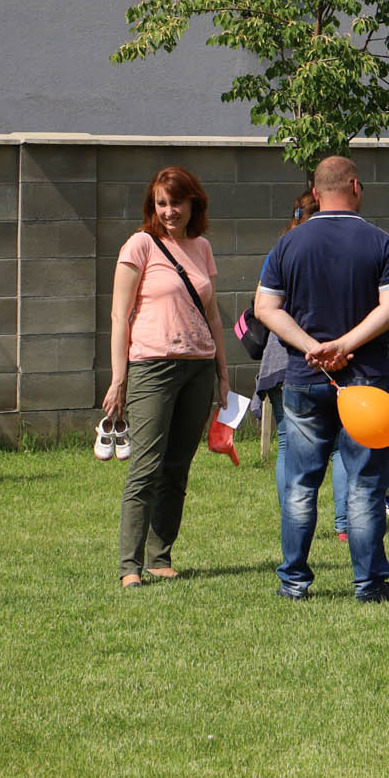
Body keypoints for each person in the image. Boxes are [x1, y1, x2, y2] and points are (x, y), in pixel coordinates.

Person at [255, 155, 389, 602]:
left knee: (300, 486)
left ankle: (293, 583)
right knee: (364, 486)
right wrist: (344, 346)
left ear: (316, 192)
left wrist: (312, 347)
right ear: (355, 186)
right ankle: (370, 585)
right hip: (367, 380)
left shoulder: (288, 244)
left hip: (303, 378)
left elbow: (265, 308)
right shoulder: (380, 242)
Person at [102, 166, 229, 588]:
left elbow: (213, 315)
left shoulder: (202, 247)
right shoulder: (140, 245)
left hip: (199, 367)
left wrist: (223, 374)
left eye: (176, 202)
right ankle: (129, 567)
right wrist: (119, 378)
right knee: (146, 467)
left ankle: (160, 557)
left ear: (194, 203)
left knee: (177, 468)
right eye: (161, 203)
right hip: (151, 366)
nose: (169, 211)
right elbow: (119, 316)